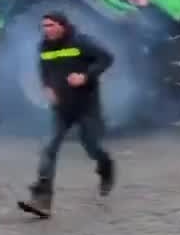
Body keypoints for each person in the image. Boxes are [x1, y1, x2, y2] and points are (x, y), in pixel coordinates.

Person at [18, 12, 116, 219]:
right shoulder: (44, 46)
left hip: (86, 105)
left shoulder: (81, 41)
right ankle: (42, 200)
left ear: (62, 26)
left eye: (51, 25)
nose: (47, 30)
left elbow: (107, 58)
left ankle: (105, 166)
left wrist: (85, 76)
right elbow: (43, 68)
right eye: (44, 26)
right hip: (62, 107)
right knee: (49, 147)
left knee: (91, 146)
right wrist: (47, 87)